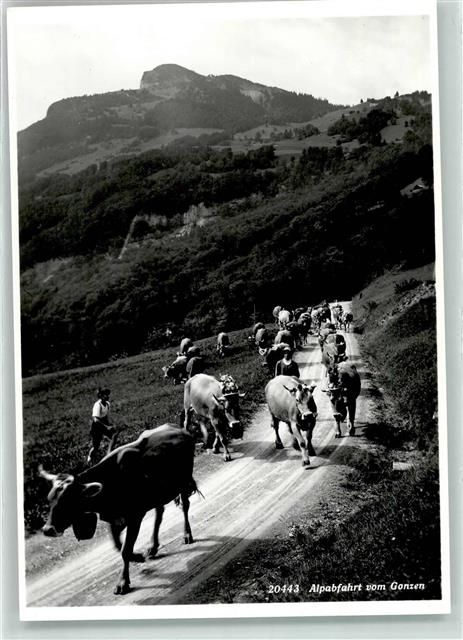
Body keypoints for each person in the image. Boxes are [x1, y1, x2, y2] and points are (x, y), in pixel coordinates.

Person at [87, 388, 116, 465]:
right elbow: (96, 419)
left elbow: (105, 416)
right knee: (96, 446)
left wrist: (109, 424)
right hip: (96, 427)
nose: (107, 396)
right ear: (101, 396)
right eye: (105, 395)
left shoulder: (107, 404)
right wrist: (106, 427)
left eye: (107, 395)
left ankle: (110, 454)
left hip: (103, 424)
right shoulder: (97, 405)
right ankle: (90, 458)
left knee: (114, 436)